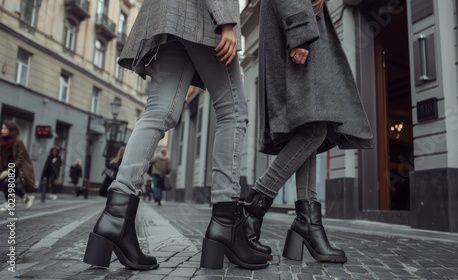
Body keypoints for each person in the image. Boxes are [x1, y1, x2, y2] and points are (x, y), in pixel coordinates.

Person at [83, 0, 267, 270]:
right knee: (233, 111)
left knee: (159, 112)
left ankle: (115, 217)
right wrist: (226, 20)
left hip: (167, 16)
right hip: (201, 14)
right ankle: (225, 223)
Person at [241, 0, 373, 263]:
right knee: (314, 129)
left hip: (306, 27)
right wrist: (299, 34)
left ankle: (308, 223)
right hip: (301, 32)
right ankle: (253, 208)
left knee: (311, 126)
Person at [0, 121, 36, 211]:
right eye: (2, 128)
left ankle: (10, 204)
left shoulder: (18, 141)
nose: (2, 130)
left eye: (5, 128)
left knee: (7, 182)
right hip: (6, 165)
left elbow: (20, 158)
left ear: (11, 130)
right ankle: (26, 197)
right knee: (6, 184)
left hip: (16, 166)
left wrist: (8, 170)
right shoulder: (2, 141)